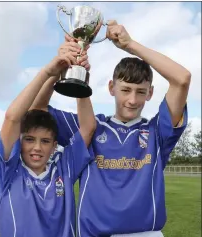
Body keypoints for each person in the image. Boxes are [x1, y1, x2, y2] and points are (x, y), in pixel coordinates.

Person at [30, 21, 191, 237]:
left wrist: (129, 44)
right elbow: (36, 110)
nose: (133, 100)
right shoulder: (90, 127)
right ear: (111, 88)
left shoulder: (157, 132)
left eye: (140, 92)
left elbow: (182, 79)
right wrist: (58, 68)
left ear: (151, 93)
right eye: (125, 90)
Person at [0, 49, 96, 235]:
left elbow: (88, 127)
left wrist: (80, 79)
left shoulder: (63, 166)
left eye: (45, 141)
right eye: (29, 139)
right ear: (20, 140)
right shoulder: (9, 169)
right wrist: (48, 72)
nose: (37, 147)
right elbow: (12, 118)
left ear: (54, 145)